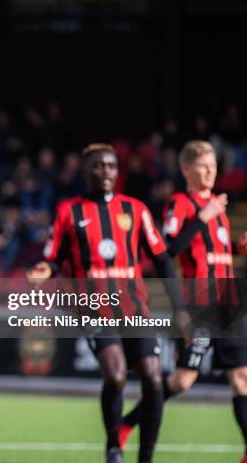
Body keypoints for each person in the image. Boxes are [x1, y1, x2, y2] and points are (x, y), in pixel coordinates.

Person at [27, 143, 184, 463]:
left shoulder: (135, 210)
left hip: (135, 308)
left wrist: (180, 309)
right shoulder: (69, 211)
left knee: (154, 378)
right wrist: (45, 269)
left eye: (111, 166)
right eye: (99, 166)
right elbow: (53, 258)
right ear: (86, 172)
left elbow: (163, 260)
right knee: (116, 376)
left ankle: (146, 457)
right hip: (94, 309)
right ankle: (114, 445)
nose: (106, 172)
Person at [120, 140, 247, 463]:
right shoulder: (181, 204)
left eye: (214, 166)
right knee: (182, 380)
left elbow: (214, 252)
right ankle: (125, 426)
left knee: (242, 379)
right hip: (201, 301)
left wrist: (237, 247)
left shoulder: (218, 210)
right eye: (204, 166)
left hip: (229, 301)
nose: (210, 172)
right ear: (186, 169)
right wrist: (203, 216)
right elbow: (170, 249)